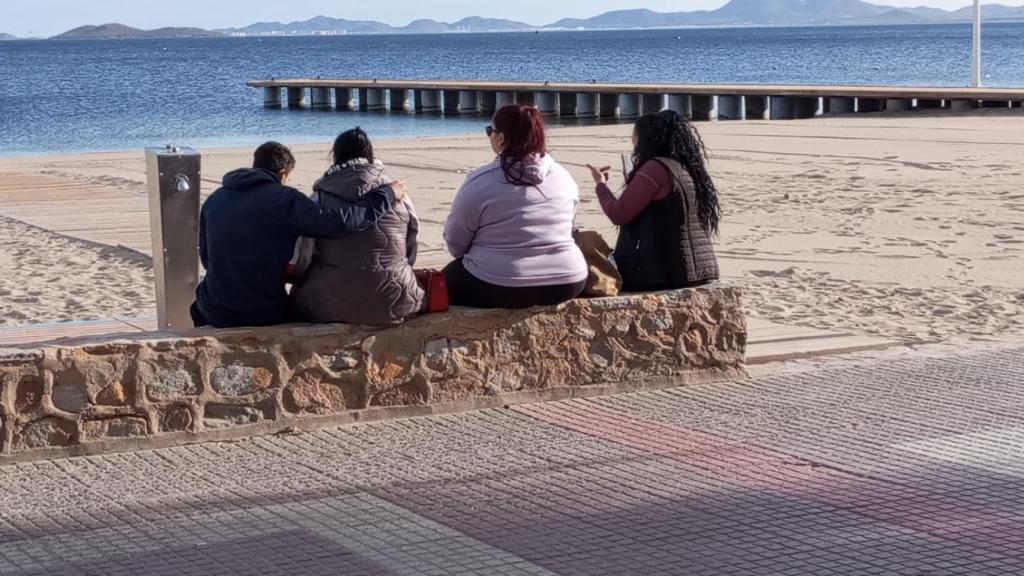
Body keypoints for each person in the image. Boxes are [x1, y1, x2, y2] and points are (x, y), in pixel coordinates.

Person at [192, 141, 403, 328]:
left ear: (255, 165)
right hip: (262, 311)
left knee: (197, 308)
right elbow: (337, 223)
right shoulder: (284, 199)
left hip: (215, 308)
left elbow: (207, 258)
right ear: (283, 173)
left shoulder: (215, 199)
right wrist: (386, 194)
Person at [442, 104, 588, 308]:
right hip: (568, 280)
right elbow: (568, 229)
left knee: (443, 281)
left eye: (489, 131)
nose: (489, 136)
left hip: (500, 283)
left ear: (500, 138)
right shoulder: (563, 176)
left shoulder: (481, 181)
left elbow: (456, 244)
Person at [290, 128, 426, 325]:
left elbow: (304, 257)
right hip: (396, 299)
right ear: (369, 154)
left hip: (331, 303)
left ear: (336, 157)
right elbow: (411, 245)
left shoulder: (319, 198)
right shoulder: (398, 192)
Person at [586, 110, 721, 292]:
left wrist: (601, 185)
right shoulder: (687, 167)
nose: (633, 144)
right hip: (702, 269)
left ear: (645, 140)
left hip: (666, 272)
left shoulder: (654, 169)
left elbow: (618, 214)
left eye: (634, 138)